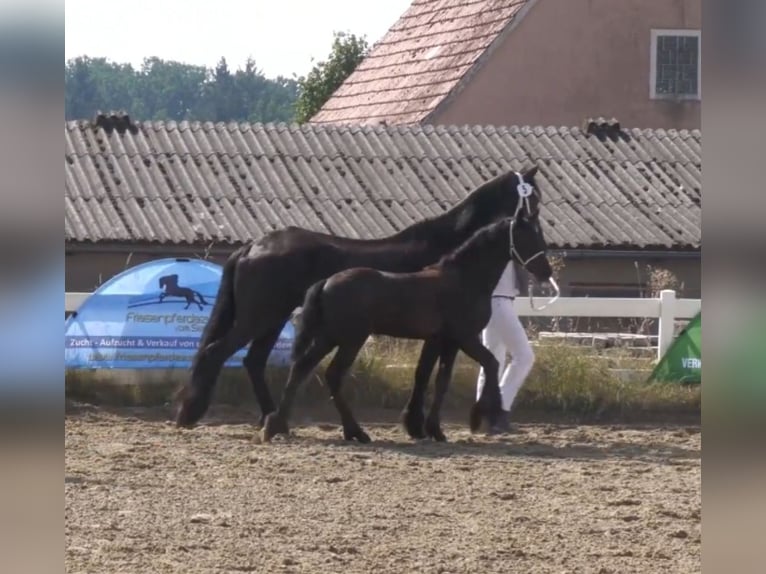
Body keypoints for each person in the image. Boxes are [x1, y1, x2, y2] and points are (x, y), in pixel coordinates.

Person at [475, 259, 534, 434]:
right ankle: (499, 409)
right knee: (524, 356)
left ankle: (484, 414)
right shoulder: (507, 238)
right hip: (498, 301)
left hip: (498, 299)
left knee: (493, 360)